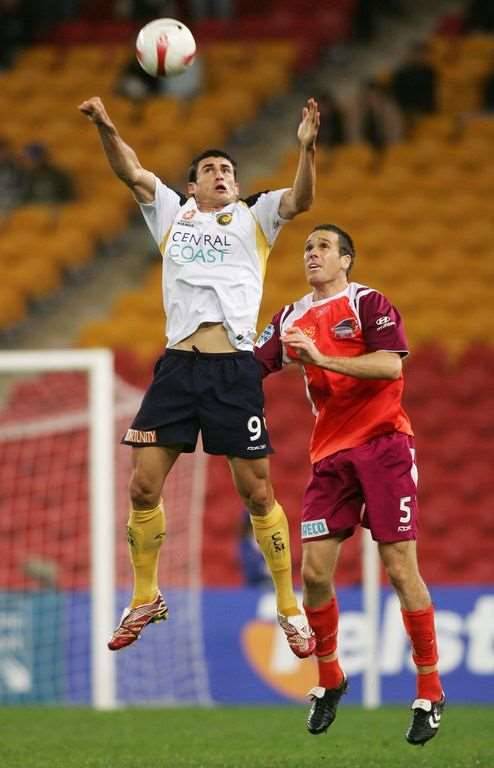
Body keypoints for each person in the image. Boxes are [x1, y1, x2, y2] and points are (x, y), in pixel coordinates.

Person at [78, 94, 320, 656]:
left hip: (232, 369)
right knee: (142, 485)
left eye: (227, 169)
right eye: (210, 168)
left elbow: (302, 199)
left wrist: (307, 149)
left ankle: (289, 606)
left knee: (257, 493)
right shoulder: (172, 213)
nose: (221, 174)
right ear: (192, 185)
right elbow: (132, 172)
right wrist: (107, 126)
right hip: (178, 368)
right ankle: (146, 596)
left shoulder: (256, 216)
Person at [254, 224, 445, 746]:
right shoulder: (290, 318)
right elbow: (251, 367)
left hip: (385, 447)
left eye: (323, 247)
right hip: (330, 458)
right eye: (307, 248)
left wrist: (320, 358)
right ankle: (331, 676)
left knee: (400, 568)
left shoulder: (369, 304)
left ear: (346, 260)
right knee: (314, 573)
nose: (312, 254)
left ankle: (429, 689)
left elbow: (389, 366)